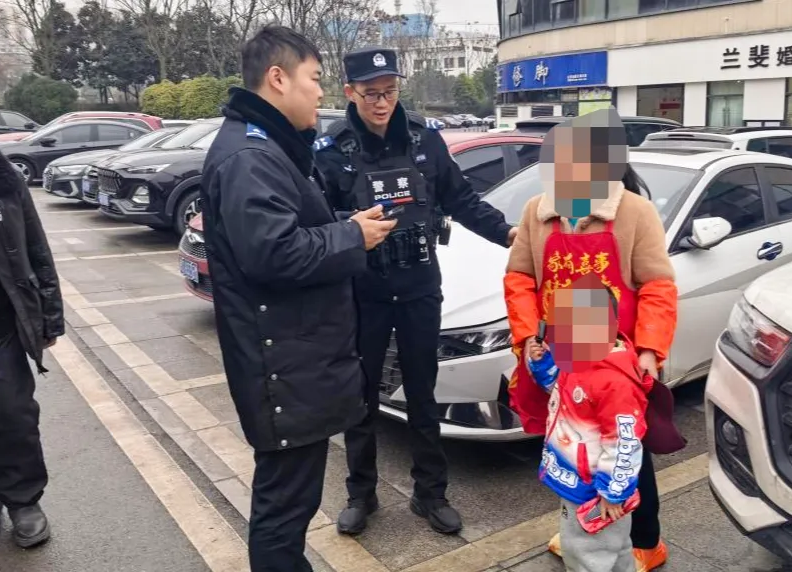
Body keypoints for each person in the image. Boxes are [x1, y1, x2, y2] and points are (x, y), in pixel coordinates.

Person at [200, 26, 397, 570]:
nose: (320, 92)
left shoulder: (264, 147)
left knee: (291, 501)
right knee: (284, 508)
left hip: (290, 361)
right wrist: (352, 235)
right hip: (282, 367)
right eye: (314, 78)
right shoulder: (250, 156)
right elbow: (274, 254)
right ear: (278, 78)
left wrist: (344, 224)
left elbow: (284, 231)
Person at [314, 46, 517, 536]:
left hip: (419, 284)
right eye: (371, 94)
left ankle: (431, 493)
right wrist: (349, 224)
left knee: (423, 393)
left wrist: (509, 233)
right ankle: (361, 494)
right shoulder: (331, 149)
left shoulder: (425, 140)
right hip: (364, 289)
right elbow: (315, 219)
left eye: (389, 91)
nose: (382, 102)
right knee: (360, 396)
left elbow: (462, 200)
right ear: (350, 92)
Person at [503, 108, 678, 571]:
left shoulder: (634, 212)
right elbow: (519, 277)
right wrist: (527, 336)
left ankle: (646, 541)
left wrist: (649, 350)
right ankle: (585, 526)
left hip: (616, 358)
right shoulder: (538, 212)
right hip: (560, 353)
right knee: (572, 444)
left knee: (626, 449)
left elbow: (658, 285)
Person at [527, 275, 650, 572]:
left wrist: (613, 492)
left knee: (586, 554)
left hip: (595, 489)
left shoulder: (613, 382)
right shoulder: (580, 360)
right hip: (583, 479)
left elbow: (624, 442)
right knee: (614, 549)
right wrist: (542, 364)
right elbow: (559, 391)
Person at [0, 147, 63, 549]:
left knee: (14, 415)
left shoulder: (2, 178)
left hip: (1, 327)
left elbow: (36, 246)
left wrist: (50, 317)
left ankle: (23, 500)